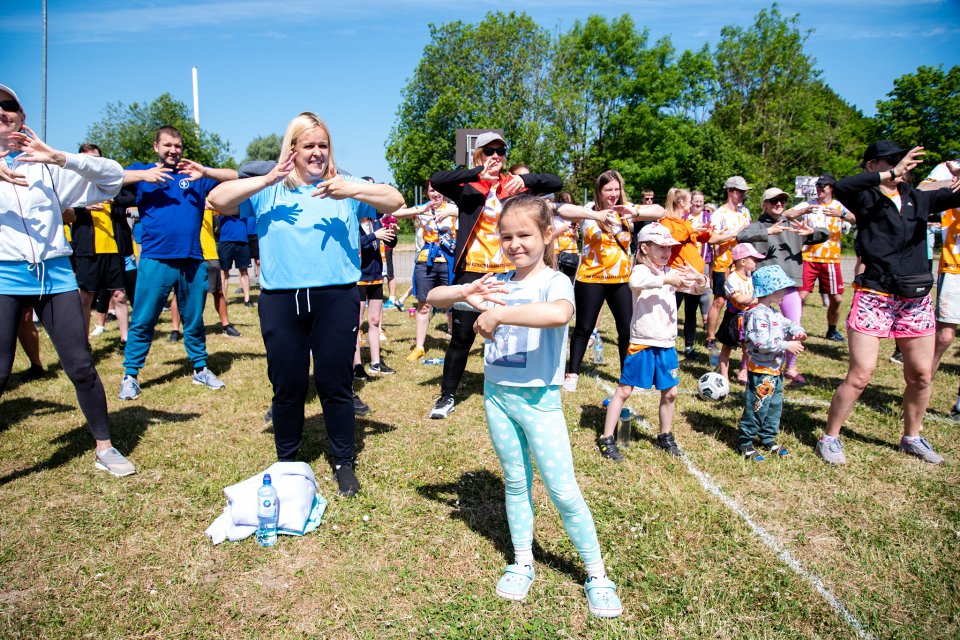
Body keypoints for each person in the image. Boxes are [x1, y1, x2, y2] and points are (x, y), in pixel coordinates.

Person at [426, 194, 623, 618]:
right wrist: (469, 290)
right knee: (515, 482)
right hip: (498, 399)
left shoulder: (554, 281)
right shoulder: (497, 282)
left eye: (525, 235)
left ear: (547, 234)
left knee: (563, 490)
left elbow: (558, 315)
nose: (515, 244)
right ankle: (522, 561)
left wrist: (501, 316)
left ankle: (596, 572)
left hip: (539, 402)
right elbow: (434, 296)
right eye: (507, 236)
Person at [208, 111, 404, 496]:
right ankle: (287, 463)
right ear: (293, 149)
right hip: (282, 300)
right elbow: (217, 200)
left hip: (336, 298)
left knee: (335, 384)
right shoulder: (269, 189)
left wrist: (351, 190)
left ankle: (343, 461)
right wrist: (266, 179)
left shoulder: (343, 188)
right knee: (288, 385)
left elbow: (394, 200)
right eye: (308, 145)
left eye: (323, 145)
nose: (316, 152)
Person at [0, 82, 135, 476]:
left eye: (9, 106)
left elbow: (113, 177)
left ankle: (105, 447)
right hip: (5, 276)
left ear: (23, 118)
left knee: (80, 365)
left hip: (55, 274)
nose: (3, 111)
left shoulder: (48, 166)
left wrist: (61, 158)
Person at [819, 141, 960, 465]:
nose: (899, 167)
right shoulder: (865, 198)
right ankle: (831, 436)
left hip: (914, 298)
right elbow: (841, 186)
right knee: (861, 374)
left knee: (922, 375)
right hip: (875, 296)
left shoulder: (919, 199)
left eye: (901, 162)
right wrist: (890, 173)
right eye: (888, 162)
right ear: (871, 166)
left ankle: (912, 436)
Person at [427, 131, 562, 419]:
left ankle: (514, 387)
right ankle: (447, 395)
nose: (496, 157)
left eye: (500, 151)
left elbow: (556, 182)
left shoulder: (513, 187)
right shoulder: (468, 187)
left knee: (512, 331)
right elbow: (437, 179)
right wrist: (478, 173)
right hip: (473, 273)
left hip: (508, 272)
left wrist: (525, 180)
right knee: (461, 338)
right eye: (489, 151)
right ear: (478, 155)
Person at [119, 126, 237, 400]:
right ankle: (131, 375)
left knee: (194, 319)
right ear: (156, 147)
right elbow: (110, 177)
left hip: (192, 259)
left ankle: (200, 369)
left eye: (178, 146)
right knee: (144, 320)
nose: (173, 150)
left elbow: (235, 176)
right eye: (167, 145)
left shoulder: (194, 175)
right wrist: (143, 176)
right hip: (155, 258)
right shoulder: (144, 173)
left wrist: (206, 172)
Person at [597, 223, 707, 462]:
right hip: (643, 342)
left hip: (666, 343)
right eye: (661, 247)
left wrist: (699, 278)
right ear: (645, 248)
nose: (667, 252)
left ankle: (664, 435)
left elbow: (698, 289)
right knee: (625, 390)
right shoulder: (641, 271)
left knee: (671, 393)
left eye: (669, 247)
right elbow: (636, 283)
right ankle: (606, 437)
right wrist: (667, 279)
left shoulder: (668, 271)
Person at [564, 170, 663, 392]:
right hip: (591, 278)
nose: (613, 194)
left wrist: (635, 211)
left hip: (621, 280)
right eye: (608, 189)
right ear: (599, 191)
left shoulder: (627, 210)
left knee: (627, 330)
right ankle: (573, 373)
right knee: (584, 328)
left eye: (616, 189)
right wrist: (595, 215)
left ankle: (627, 375)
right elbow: (565, 210)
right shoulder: (588, 209)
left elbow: (660, 211)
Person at [736, 187, 827, 385]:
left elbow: (824, 235)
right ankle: (746, 367)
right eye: (774, 201)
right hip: (765, 288)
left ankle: (790, 367)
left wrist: (812, 232)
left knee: (794, 326)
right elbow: (741, 236)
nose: (778, 204)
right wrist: (769, 231)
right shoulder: (758, 225)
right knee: (758, 328)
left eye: (782, 201)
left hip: (790, 284)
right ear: (764, 204)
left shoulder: (792, 224)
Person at [737, 265, 808, 461]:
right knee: (758, 407)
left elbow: (787, 323)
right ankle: (746, 441)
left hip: (775, 371)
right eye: (782, 288)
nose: (785, 291)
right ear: (770, 290)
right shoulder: (757, 314)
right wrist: (787, 344)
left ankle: (768, 437)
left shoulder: (772, 311)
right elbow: (761, 343)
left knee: (774, 407)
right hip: (762, 371)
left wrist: (796, 330)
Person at [70, 143, 134, 346]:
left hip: (115, 250)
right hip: (87, 250)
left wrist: (113, 198)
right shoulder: (74, 185)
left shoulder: (112, 181)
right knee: (85, 297)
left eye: (96, 159)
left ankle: (125, 338)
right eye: (87, 160)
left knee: (119, 295)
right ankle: (83, 342)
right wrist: (82, 206)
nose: (92, 164)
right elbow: (62, 207)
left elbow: (132, 197)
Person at [392, 180, 459, 361]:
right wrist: (419, 211)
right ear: (427, 192)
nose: (435, 194)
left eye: (439, 191)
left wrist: (453, 212)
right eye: (432, 191)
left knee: (452, 305)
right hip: (426, 260)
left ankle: (455, 346)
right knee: (424, 304)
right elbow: (395, 212)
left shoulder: (453, 208)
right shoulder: (422, 210)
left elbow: (474, 213)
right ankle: (419, 346)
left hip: (448, 260)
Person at [797, 173, 854, 342]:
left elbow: (856, 218)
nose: (820, 189)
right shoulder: (809, 204)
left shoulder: (838, 206)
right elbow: (788, 214)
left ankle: (832, 330)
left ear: (831, 188)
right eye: (818, 186)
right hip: (808, 257)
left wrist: (841, 215)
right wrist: (803, 210)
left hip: (830, 259)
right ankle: (795, 327)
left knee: (836, 298)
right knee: (801, 296)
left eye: (824, 186)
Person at [925, 160, 960, 419]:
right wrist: (954, 181)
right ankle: (918, 395)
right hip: (955, 264)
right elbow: (920, 190)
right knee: (944, 337)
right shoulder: (948, 167)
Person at [658, 187, 712, 358]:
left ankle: (689, 346)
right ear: (681, 203)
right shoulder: (666, 221)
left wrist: (706, 232)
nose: (691, 204)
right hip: (677, 272)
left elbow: (696, 237)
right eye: (689, 201)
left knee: (691, 312)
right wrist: (692, 229)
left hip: (693, 273)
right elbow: (674, 238)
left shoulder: (685, 221)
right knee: (670, 311)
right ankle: (664, 344)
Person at [706, 176, 751, 351]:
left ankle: (739, 333)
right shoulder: (719, 214)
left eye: (744, 192)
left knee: (742, 299)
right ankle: (710, 337)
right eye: (739, 191)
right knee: (720, 301)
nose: (742, 195)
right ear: (729, 191)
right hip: (722, 263)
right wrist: (734, 233)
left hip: (741, 264)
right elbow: (711, 238)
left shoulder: (745, 212)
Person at [355, 211, 398, 375]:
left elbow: (390, 243)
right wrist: (374, 235)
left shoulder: (377, 222)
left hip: (376, 277)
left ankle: (376, 363)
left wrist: (392, 234)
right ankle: (357, 365)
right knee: (356, 322)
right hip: (359, 278)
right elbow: (356, 243)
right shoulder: (353, 222)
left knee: (374, 320)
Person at [718, 243, 764, 383]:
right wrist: (758, 299)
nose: (756, 262)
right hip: (733, 319)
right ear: (743, 262)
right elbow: (740, 299)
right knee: (727, 347)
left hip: (748, 318)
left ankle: (750, 375)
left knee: (748, 349)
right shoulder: (733, 278)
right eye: (754, 260)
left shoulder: (750, 278)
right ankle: (724, 376)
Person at [217, 204, 254, 307]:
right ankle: (223, 300)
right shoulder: (223, 201)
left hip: (242, 240)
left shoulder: (244, 203)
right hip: (225, 240)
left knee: (244, 270)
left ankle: (247, 300)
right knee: (224, 271)